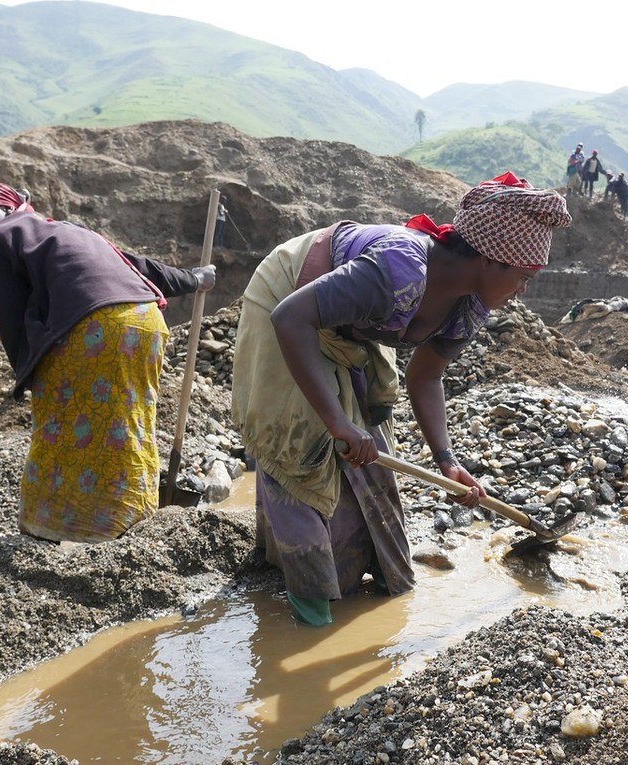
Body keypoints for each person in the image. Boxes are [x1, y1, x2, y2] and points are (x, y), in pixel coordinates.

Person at [230, 171, 571, 626]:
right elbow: (291, 317)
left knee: (369, 450)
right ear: (491, 260)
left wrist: (447, 461)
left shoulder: (469, 305)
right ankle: (309, 611)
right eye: (523, 277)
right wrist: (334, 421)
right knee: (302, 447)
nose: (523, 290)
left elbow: (426, 377)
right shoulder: (399, 269)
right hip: (288, 301)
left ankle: (370, 586)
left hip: (349, 328)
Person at [0, 182, 217, 544]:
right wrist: (196, 279)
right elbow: (137, 267)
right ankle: (130, 520)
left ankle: (47, 529)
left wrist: (28, 378)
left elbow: (11, 322)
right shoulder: (67, 231)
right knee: (126, 423)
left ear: (8, 208)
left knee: (58, 426)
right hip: (145, 323)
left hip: (92, 329)